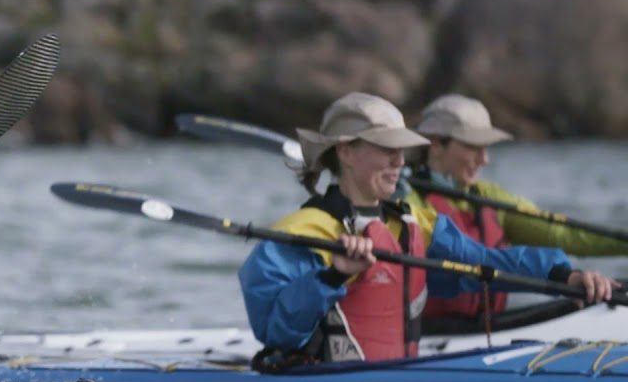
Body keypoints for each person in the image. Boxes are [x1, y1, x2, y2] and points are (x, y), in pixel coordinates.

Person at [238, 92, 617, 366]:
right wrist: (333, 275)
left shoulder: (415, 222)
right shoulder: (303, 233)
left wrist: (566, 274)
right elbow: (277, 334)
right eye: (386, 148)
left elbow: (485, 263)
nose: (399, 161)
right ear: (347, 152)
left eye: (401, 150)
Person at [406, 94, 628, 319]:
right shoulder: (407, 201)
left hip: (488, 331)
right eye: (473, 146)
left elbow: (562, 234)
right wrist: (562, 275)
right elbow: (468, 258)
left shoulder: (487, 196)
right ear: (435, 145)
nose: (484, 159)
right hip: (429, 334)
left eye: (486, 147)